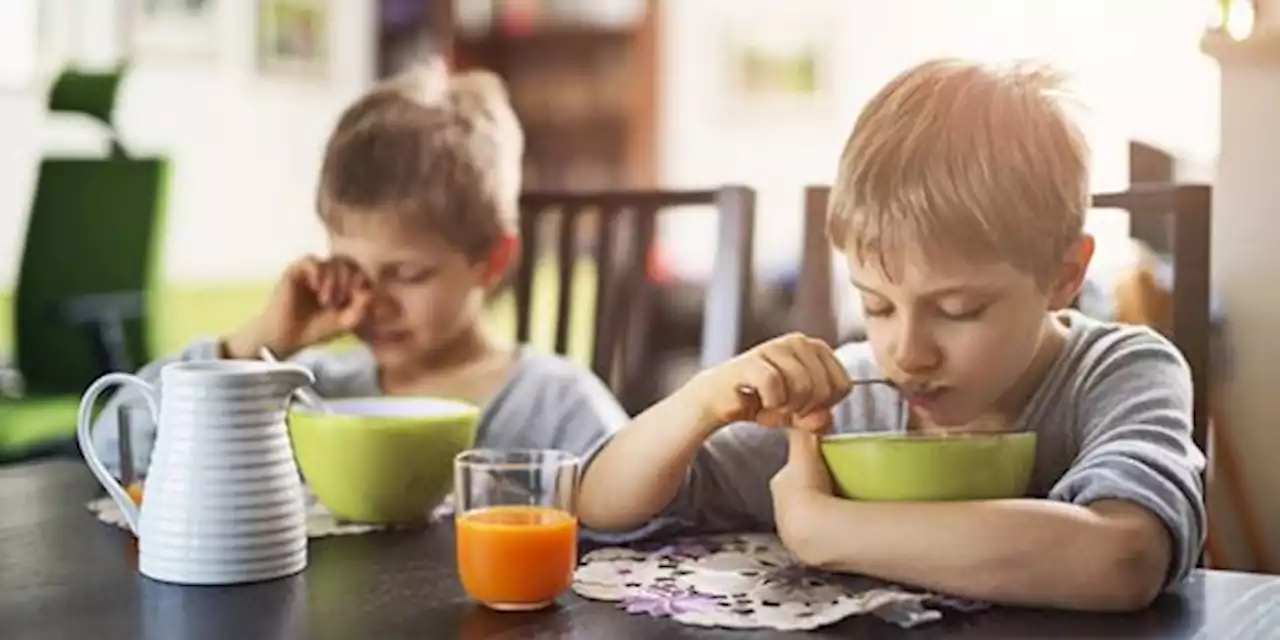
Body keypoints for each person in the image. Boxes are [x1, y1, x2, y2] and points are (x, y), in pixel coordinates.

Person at [576, 58, 1206, 612]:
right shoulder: (851, 399)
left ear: (1065, 275)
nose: (907, 353)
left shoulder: (1119, 372)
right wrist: (705, 400)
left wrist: (825, 529)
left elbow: (1123, 559)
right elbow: (603, 503)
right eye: (876, 305)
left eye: (959, 310)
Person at [93, 59, 626, 487]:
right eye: (350, 269)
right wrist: (256, 345)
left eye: (409, 274)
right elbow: (115, 445)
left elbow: (649, 518)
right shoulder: (311, 393)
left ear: (492, 259)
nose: (373, 302)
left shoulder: (558, 406)